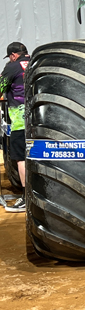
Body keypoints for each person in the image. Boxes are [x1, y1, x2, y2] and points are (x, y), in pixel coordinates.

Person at [0, 42, 30, 213]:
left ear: (13, 55)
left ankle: (26, 198)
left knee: (21, 158)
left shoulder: (12, 67)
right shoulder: (36, 62)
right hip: (41, 119)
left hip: (20, 121)